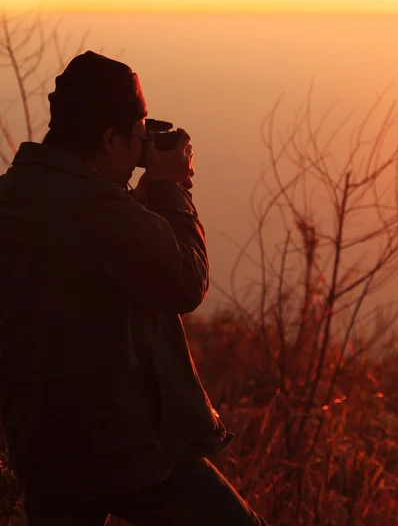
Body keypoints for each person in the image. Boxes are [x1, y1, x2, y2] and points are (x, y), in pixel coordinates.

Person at [0, 51, 268, 525]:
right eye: (137, 138)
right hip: (123, 452)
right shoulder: (95, 207)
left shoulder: (17, 193)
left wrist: (137, 205)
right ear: (109, 138)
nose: (142, 151)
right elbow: (185, 282)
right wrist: (170, 191)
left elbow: (81, 260)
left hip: (42, 449)